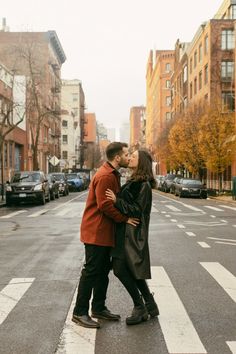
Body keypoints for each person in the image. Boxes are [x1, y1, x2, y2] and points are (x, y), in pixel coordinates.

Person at [72, 142, 139, 329]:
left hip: (104, 232)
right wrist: (124, 219)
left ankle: (98, 308)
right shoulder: (105, 176)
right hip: (96, 231)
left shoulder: (111, 174)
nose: (128, 157)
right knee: (91, 271)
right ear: (117, 157)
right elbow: (104, 205)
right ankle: (79, 312)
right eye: (126, 154)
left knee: (102, 272)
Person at [105, 149, 159, 325]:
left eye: (134, 157)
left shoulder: (143, 185)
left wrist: (116, 201)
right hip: (125, 232)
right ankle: (149, 303)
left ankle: (140, 306)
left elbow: (137, 210)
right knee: (131, 271)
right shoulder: (134, 181)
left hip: (132, 234)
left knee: (120, 268)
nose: (130, 158)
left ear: (141, 162)